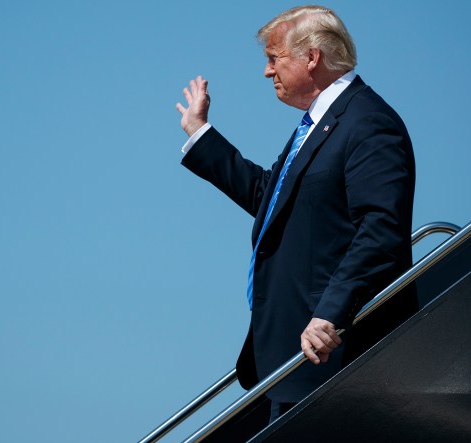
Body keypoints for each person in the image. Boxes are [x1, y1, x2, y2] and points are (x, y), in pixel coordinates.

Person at [176, 5, 418, 422]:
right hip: (291, 359)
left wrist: (330, 313)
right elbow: (271, 199)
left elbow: (380, 229)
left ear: (312, 57)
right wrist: (201, 135)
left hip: (332, 357)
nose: (267, 72)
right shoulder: (318, 126)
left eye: (274, 59)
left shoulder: (368, 122)